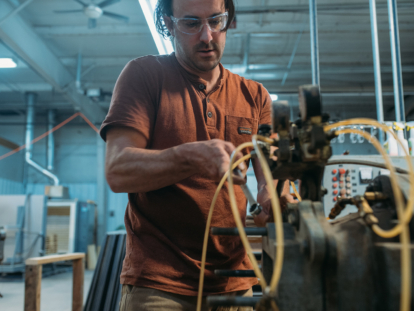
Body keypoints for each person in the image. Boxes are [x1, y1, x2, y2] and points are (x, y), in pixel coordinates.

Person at [100, 0, 295, 309]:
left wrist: (273, 195)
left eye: (216, 21)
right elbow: (118, 170)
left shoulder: (255, 96)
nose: (207, 36)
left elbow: (271, 176)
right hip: (159, 284)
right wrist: (188, 158)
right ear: (168, 24)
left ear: (228, 19)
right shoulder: (144, 75)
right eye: (191, 24)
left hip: (233, 281)